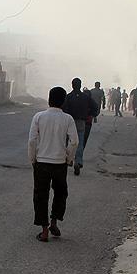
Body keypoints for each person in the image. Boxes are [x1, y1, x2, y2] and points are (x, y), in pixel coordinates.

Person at [28, 86, 79, 243]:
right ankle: (54, 222)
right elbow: (74, 142)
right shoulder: (68, 119)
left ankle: (44, 231)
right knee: (60, 193)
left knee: (40, 196)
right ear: (63, 102)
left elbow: (32, 141)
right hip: (59, 163)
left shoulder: (39, 117)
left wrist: (32, 159)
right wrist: (69, 158)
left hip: (41, 162)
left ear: (49, 99)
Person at [61, 78, 98, 176]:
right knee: (79, 142)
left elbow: (63, 108)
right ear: (80, 85)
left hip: (69, 121)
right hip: (81, 122)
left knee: (68, 141)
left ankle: (68, 159)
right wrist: (89, 114)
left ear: (72, 85)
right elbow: (95, 107)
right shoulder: (85, 97)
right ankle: (78, 161)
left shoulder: (68, 97)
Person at [86, 81, 106, 149]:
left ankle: (93, 117)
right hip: (97, 104)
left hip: (91, 104)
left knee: (93, 113)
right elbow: (103, 98)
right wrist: (103, 105)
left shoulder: (91, 91)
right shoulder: (101, 91)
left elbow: (88, 97)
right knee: (96, 112)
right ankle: (94, 117)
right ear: (99, 85)